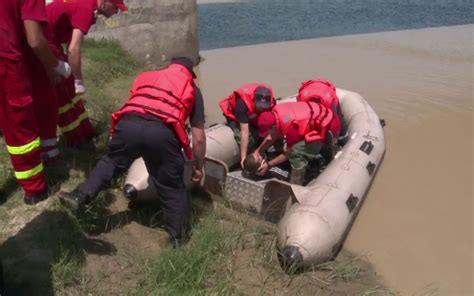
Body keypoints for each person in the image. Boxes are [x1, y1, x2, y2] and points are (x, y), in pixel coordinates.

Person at [59, 57, 206, 246]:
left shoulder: (149, 76)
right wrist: (199, 166)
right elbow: (199, 137)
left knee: (111, 162)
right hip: (162, 134)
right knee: (171, 186)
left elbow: (137, 102)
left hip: (128, 124)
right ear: (190, 73)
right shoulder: (192, 89)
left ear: (169, 66)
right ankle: (177, 238)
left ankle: (80, 196)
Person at [0, 0, 71, 204]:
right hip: (6, 62)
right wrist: (57, 65)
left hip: (12, 53)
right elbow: (35, 40)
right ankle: (34, 188)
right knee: (19, 125)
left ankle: (47, 156)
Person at [45, 0, 128, 146]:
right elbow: (73, 49)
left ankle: (86, 131)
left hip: (51, 41)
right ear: (105, 2)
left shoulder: (87, 7)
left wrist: (73, 77)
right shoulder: (86, 9)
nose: (116, 12)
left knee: (69, 87)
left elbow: (70, 44)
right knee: (62, 93)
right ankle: (76, 140)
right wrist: (78, 80)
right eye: (116, 8)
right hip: (45, 41)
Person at [251, 101, 340, 185]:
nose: (268, 134)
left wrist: (269, 164)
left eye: (268, 131)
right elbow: (273, 135)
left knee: (296, 152)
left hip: (329, 127)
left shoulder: (291, 129)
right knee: (284, 143)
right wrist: (258, 151)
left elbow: (288, 153)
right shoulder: (277, 113)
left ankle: (296, 183)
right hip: (323, 117)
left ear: (274, 126)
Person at [219, 83, 276, 168]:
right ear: (254, 99)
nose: (262, 108)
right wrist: (243, 157)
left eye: (264, 107)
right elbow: (244, 132)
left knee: (269, 129)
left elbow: (274, 126)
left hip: (254, 115)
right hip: (235, 116)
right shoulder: (241, 103)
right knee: (246, 137)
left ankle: (263, 151)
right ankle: (251, 159)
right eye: (259, 106)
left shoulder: (272, 101)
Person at [297, 78, 348, 145]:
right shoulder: (303, 99)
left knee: (339, 120)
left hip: (326, 93)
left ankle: (343, 140)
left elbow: (336, 120)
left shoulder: (329, 101)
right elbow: (299, 117)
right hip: (308, 91)